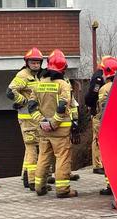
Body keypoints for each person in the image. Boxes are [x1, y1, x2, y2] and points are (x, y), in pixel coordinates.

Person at [28, 49, 78, 198]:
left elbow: (31, 106)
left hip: (43, 130)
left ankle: (39, 187)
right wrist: (54, 123)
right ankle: (63, 190)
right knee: (62, 157)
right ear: (63, 68)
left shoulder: (38, 84)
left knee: (43, 157)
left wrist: (42, 122)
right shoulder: (63, 84)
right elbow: (62, 106)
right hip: (60, 130)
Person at [6, 47, 43, 191]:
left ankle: (27, 176)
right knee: (32, 148)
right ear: (27, 63)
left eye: (38, 62)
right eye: (33, 62)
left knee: (32, 148)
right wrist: (24, 101)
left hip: (35, 118)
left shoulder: (37, 76)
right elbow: (10, 92)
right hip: (27, 118)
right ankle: (33, 181)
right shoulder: (23, 75)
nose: (35, 65)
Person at [93, 56, 117, 195]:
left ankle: (110, 186)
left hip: (109, 127)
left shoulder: (104, 89)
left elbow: (103, 108)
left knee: (108, 156)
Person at [85, 66, 105, 175]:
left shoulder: (99, 76)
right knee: (97, 139)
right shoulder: (98, 78)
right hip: (98, 112)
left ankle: (99, 163)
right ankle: (97, 165)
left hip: (99, 111)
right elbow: (92, 95)